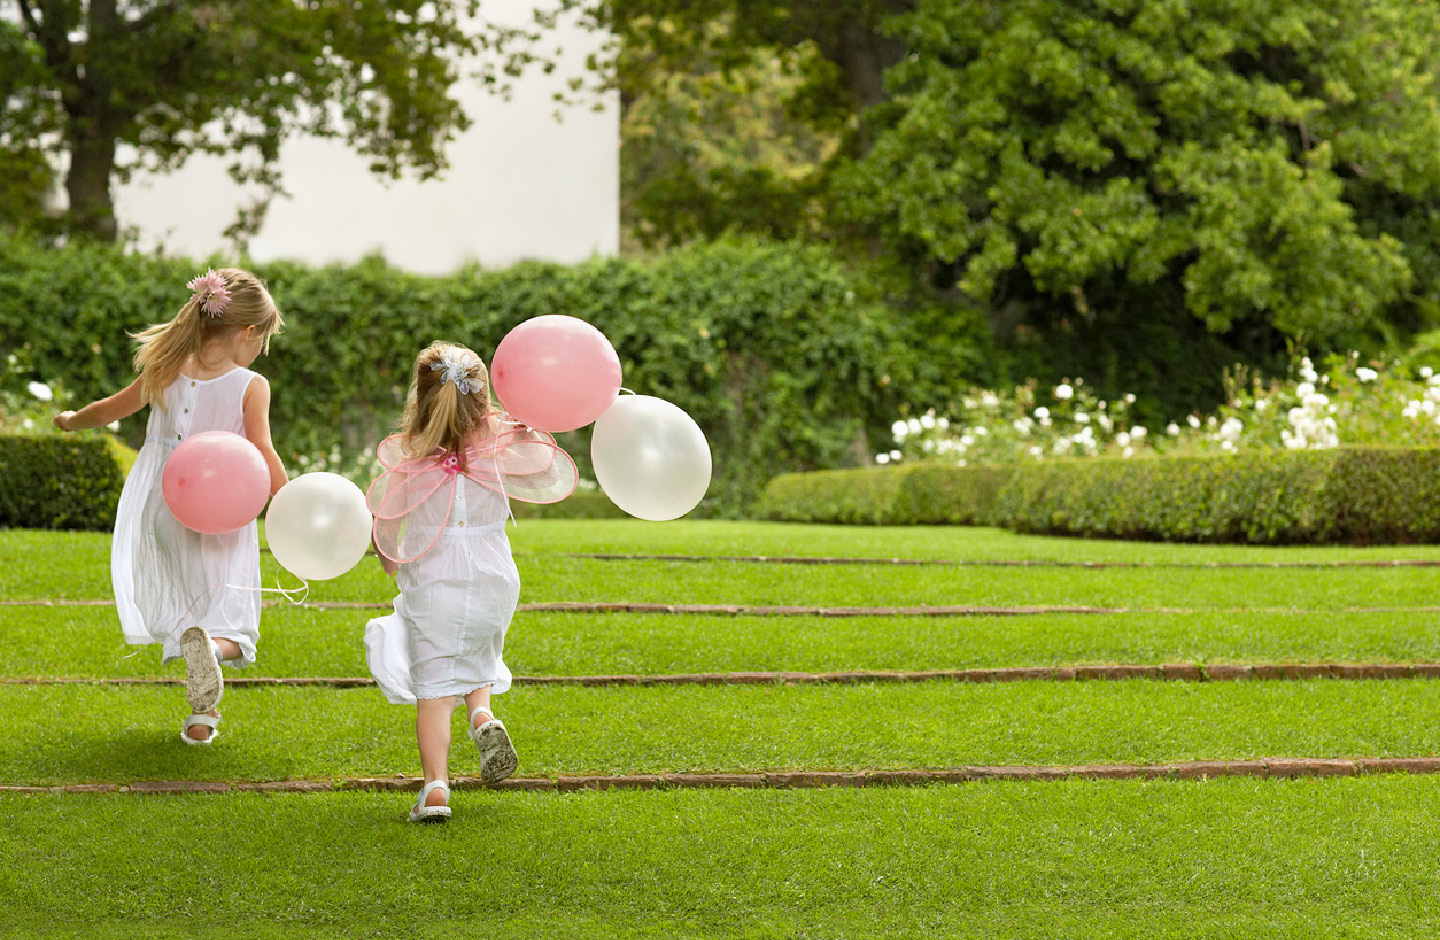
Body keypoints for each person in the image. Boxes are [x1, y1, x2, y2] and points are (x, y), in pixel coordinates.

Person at [54, 268, 288, 745]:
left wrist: (71, 420)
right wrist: (288, 500)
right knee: (228, 616)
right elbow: (262, 451)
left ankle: (203, 719)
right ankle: (218, 655)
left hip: (163, 502)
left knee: (190, 612)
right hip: (220, 509)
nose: (260, 349)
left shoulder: (166, 366)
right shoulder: (251, 385)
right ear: (246, 333)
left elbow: (110, 409)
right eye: (260, 339)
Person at [365, 341, 576, 823]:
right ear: (484, 401)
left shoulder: (410, 461)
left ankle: (436, 789)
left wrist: (388, 563)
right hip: (494, 584)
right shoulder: (501, 452)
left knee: (435, 692)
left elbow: (387, 534)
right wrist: (520, 424)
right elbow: (544, 464)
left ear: (419, 401)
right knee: (478, 655)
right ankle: (482, 716)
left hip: (435, 588)